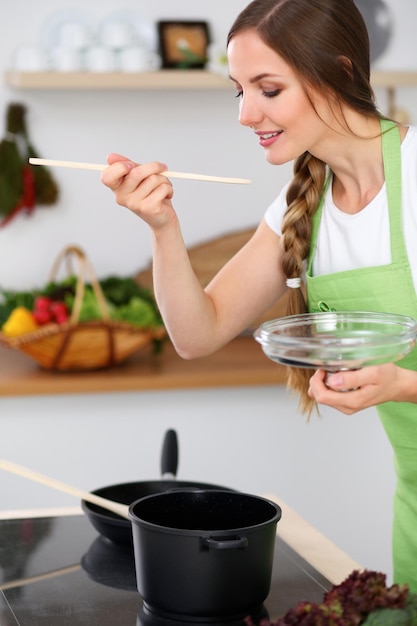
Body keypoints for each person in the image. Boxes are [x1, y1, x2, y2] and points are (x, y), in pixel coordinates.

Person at [101, 0, 417, 592]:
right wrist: (164, 227)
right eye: (238, 90)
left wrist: (401, 385)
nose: (246, 113)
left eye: (268, 89)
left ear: (339, 73)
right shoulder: (305, 198)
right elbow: (199, 334)